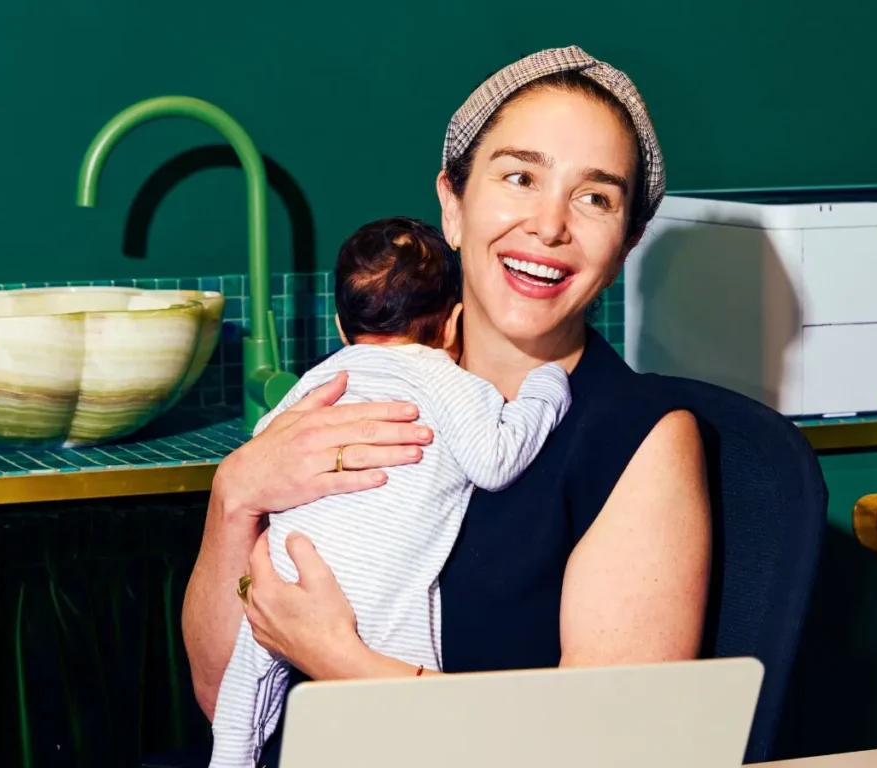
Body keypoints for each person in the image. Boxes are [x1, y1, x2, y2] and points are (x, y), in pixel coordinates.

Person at [182, 44, 712, 767]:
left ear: (625, 246)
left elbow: (610, 750)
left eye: (595, 197)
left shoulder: (641, 443)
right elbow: (223, 700)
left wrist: (339, 660)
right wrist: (234, 496)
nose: (549, 225)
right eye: (520, 177)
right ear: (454, 205)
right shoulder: (361, 391)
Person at [207, 216, 571, 768]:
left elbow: (267, 448)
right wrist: (546, 388)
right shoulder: (450, 380)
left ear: (338, 323)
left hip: (285, 576)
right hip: (380, 590)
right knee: (406, 723)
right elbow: (495, 462)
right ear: (454, 324)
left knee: (243, 691)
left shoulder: (322, 379)